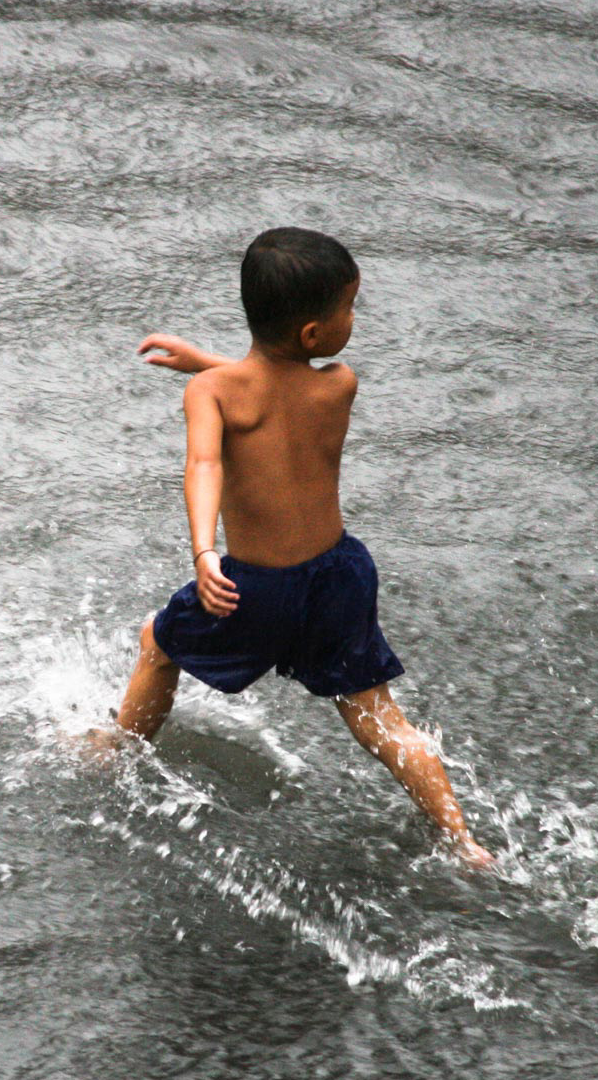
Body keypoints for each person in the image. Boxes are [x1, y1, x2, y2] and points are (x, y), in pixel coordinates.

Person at [94, 227, 495, 868]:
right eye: (350, 308)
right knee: (380, 719)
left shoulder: (213, 394)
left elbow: (205, 464)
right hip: (340, 576)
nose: (354, 321)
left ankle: (117, 751)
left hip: (256, 588)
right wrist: (207, 360)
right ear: (313, 334)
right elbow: (278, 387)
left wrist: (205, 555)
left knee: (158, 643)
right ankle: (463, 841)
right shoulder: (339, 383)